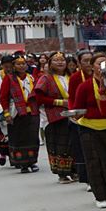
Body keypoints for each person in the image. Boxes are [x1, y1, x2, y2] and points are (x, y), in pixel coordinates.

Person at [72, 53, 106, 209]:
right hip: (89, 129)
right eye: (99, 64)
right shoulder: (84, 86)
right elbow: (77, 107)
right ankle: (100, 196)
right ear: (92, 67)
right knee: (94, 162)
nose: (102, 67)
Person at [33, 52, 77, 183]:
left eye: (62, 60)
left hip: (74, 114)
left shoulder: (72, 77)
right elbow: (39, 98)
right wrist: (60, 102)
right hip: (55, 116)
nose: (60, 62)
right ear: (50, 63)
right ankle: (62, 174)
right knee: (59, 145)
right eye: (56, 60)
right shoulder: (46, 78)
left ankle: (74, 171)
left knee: (73, 144)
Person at [0, 56, 40, 173]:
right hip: (16, 112)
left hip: (32, 112)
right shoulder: (9, 79)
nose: (22, 66)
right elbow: (3, 97)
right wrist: (6, 113)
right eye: (18, 64)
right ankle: (22, 164)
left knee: (32, 137)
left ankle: (32, 162)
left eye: (23, 64)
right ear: (14, 66)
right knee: (18, 138)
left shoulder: (31, 77)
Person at [67, 51, 94, 185]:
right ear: (79, 63)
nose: (89, 64)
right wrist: (74, 113)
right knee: (84, 150)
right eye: (85, 61)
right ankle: (89, 179)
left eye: (91, 60)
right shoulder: (75, 78)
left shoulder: (101, 75)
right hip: (81, 118)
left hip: (100, 118)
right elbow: (71, 98)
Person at [0, 55, 11, 165]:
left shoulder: (16, 75)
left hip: (14, 105)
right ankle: (2, 153)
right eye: (6, 66)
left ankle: (14, 156)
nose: (8, 69)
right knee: (1, 131)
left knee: (13, 131)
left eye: (10, 66)